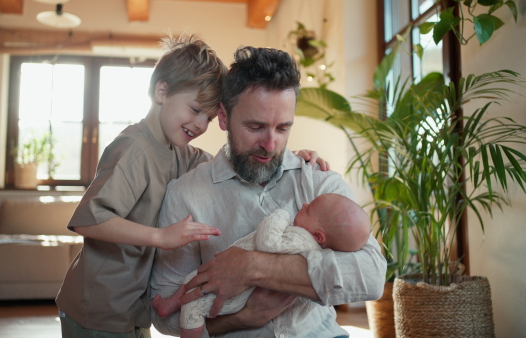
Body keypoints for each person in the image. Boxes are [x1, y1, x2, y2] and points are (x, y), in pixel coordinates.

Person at [55, 35, 328, 337]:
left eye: (209, 118)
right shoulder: (133, 148)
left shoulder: (179, 151)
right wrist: (161, 237)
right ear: (162, 92)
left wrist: (293, 158)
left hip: (132, 306)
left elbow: (232, 163)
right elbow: (89, 221)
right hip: (97, 305)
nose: (200, 125)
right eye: (195, 109)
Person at [150, 46, 387, 338]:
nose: (270, 144)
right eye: (255, 126)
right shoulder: (185, 194)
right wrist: (245, 319)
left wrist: (251, 267)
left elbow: (371, 277)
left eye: (283, 128)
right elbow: (165, 314)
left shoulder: (319, 181)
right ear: (223, 118)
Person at [152, 193, 372, 338]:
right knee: (193, 281)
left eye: (308, 210)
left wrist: (280, 215)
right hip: (225, 279)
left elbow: (267, 242)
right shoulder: (308, 240)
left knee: (193, 307)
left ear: (318, 236)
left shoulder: (301, 240)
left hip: (236, 295)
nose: (303, 205)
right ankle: (170, 304)